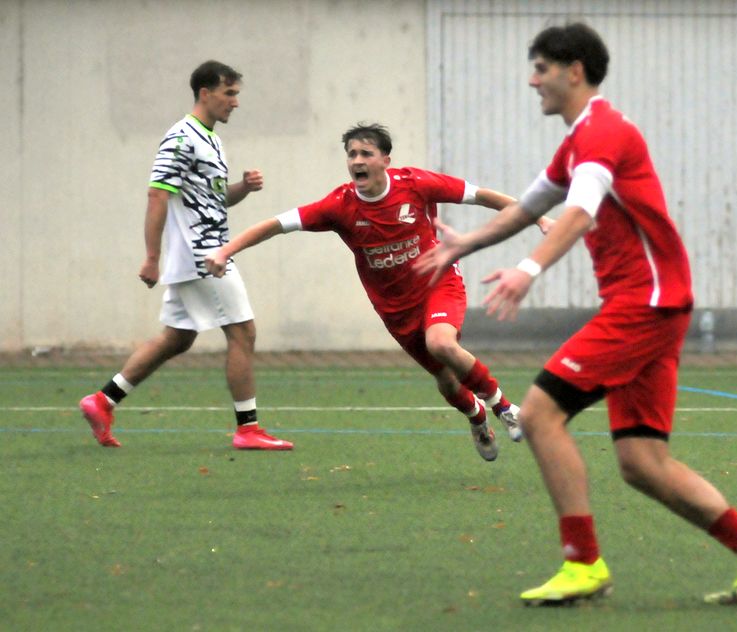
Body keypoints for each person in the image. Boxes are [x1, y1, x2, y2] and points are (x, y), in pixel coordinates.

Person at [414, 23, 737, 605]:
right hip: (655, 304)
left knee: (539, 414)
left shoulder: (602, 133)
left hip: (645, 303)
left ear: (574, 71)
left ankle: (583, 562)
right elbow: (530, 207)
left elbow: (580, 212)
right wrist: (464, 243)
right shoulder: (577, 141)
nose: (531, 79)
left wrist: (528, 270)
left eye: (540, 68)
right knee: (642, 461)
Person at [204, 123, 548, 460]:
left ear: (385, 159)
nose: (356, 160)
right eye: (351, 154)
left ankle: (504, 407)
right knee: (445, 380)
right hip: (395, 308)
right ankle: (477, 417)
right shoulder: (340, 205)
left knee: (442, 343)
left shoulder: (416, 184)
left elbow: (482, 195)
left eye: (365, 153)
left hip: (438, 283)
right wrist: (225, 250)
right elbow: (276, 225)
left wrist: (539, 219)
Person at [79, 60, 292, 451]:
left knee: (177, 338)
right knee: (243, 331)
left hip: (202, 250)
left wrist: (242, 187)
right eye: (229, 94)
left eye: (237, 94)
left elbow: (213, 200)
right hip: (203, 255)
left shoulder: (209, 138)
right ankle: (248, 428)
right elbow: (158, 193)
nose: (235, 103)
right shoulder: (181, 137)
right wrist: (150, 257)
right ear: (205, 93)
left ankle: (103, 400)